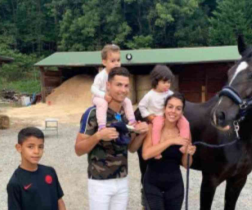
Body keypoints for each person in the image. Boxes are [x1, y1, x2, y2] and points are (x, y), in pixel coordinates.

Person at [75, 67, 148, 210]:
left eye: (126, 86)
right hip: (99, 182)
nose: (123, 90)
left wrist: (142, 133)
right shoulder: (93, 113)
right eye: (118, 85)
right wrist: (98, 136)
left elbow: (131, 148)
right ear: (108, 85)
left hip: (122, 180)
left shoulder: (127, 114)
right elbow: (78, 150)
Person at [142, 93, 196, 210]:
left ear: (182, 112)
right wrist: (171, 141)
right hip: (152, 184)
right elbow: (146, 154)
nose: (173, 111)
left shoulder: (184, 132)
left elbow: (187, 165)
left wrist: (188, 153)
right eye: (170, 107)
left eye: (178, 108)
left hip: (175, 185)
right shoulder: (153, 127)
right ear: (164, 109)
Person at [7, 127, 66, 210]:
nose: (36, 151)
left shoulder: (50, 172)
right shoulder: (15, 183)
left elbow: (59, 200)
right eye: (30, 147)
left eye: (40, 147)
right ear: (19, 148)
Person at [138, 65, 190, 159]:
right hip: (158, 117)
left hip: (170, 116)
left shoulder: (169, 93)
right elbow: (141, 106)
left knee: (185, 123)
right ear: (156, 81)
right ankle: (156, 148)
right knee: (157, 127)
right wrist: (148, 116)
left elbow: (176, 101)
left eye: (169, 82)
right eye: (164, 82)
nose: (167, 85)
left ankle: (184, 144)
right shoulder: (150, 95)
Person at [91, 44, 136, 130]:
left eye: (118, 60)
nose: (116, 63)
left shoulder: (118, 76)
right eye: (113, 61)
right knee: (103, 104)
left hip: (111, 96)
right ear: (104, 62)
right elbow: (93, 88)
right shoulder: (101, 76)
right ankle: (102, 125)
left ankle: (132, 120)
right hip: (99, 98)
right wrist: (103, 95)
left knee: (127, 101)